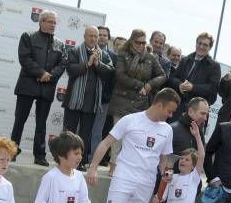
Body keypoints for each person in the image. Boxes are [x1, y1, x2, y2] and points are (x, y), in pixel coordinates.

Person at [106, 29, 166, 175]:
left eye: (143, 42)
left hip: (140, 104)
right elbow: (120, 75)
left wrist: (150, 84)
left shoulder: (150, 58)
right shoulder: (123, 54)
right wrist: (140, 85)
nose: (140, 45)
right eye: (138, 42)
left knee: (134, 138)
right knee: (117, 136)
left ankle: (128, 168)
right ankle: (113, 166)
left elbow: (163, 75)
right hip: (122, 100)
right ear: (131, 41)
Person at [10, 10, 65, 166]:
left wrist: (50, 76)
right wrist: (41, 73)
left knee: (41, 124)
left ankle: (39, 155)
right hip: (27, 85)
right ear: (41, 22)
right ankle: (12, 151)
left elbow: (62, 65)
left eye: (55, 22)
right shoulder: (28, 36)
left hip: (46, 89)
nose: (53, 25)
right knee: (19, 121)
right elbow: (25, 59)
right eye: (50, 22)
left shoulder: (60, 44)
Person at [62, 26, 114, 169]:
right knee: (69, 133)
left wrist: (97, 64)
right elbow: (71, 70)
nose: (93, 39)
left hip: (91, 102)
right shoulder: (74, 51)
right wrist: (87, 64)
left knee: (85, 135)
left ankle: (81, 162)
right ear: (84, 36)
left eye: (95, 36)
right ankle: (64, 158)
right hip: (74, 100)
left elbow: (109, 73)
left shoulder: (103, 55)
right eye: (90, 36)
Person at [168, 32, 221, 120]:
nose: (201, 47)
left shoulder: (214, 66)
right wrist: (179, 85)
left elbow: (213, 88)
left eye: (205, 45)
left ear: (210, 47)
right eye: (199, 43)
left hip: (197, 114)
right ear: (196, 44)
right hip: (177, 109)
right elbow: (173, 78)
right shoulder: (185, 60)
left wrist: (193, 87)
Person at [90, 25, 117, 159]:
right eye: (99, 34)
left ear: (108, 39)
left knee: (97, 131)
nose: (101, 37)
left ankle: (92, 159)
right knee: (82, 128)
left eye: (104, 35)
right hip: (87, 98)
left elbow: (113, 79)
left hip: (104, 99)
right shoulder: (87, 50)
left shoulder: (114, 57)